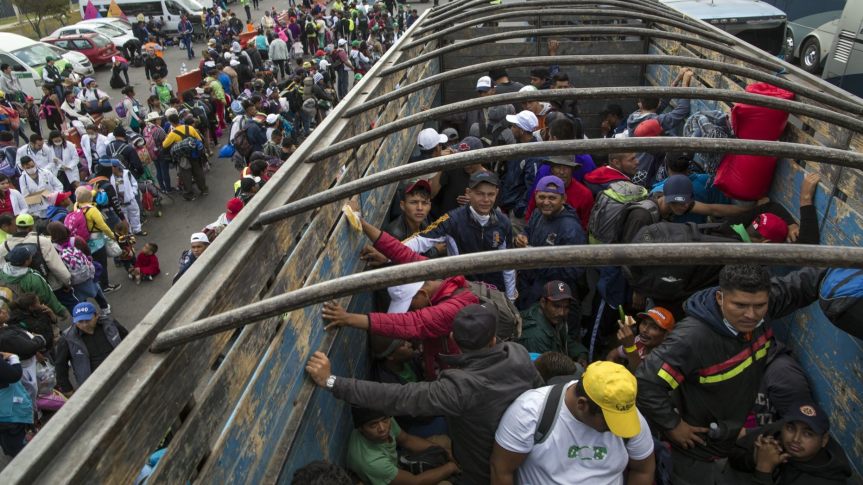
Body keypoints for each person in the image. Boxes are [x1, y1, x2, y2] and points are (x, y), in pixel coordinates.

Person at [307, 304, 543, 485]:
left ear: (453, 339)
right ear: (493, 338)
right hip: (531, 460)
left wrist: (331, 381)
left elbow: (397, 397)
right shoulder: (519, 354)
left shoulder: (458, 388)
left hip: (481, 474)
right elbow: (539, 397)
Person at [636, 264, 823, 485]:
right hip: (695, 454)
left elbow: (806, 282)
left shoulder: (764, 309)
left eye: (759, 306)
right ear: (720, 297)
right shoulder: (692, 339)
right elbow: (646, 383)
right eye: (740, 305)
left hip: (731, 438)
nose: (751, 315)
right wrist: (673, 425)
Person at [491, 361, 655, 484]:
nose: (618, 428)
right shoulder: (530, 412)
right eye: (610, 422)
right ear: (582, 405)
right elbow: (501, 470)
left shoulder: (627, 416)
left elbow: (643, 470)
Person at [404, 171, 517, 300]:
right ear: (469, 193)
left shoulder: (504, 223)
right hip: (463, 292)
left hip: (495, 292)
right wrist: (388, 253)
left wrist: (510, 299)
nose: (486, 200)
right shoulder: (453, 220)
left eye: (490, 194)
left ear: (496, 193)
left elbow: (508, 265)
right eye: (480, 194)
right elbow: (421, 240)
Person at [727, 401, 852, 485]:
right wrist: (756, 456)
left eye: (808, 434)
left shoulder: (824, 481)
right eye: (791, 428)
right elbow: (735, 453)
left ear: (824, 440)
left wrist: (763, 469)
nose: (796, 439)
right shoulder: (778, 434)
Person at [515, 176, 586, 306]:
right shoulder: (538, 213)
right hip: (528, 286)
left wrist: (539, 262)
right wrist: (521, 238)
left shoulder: (571, 229)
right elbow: (527, 231)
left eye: (552, 198)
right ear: (535, 196)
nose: (546, 202)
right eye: (542, 197)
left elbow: (575, 270)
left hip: (553, 296)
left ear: (563, 199)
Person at [345, 407, 459, 485]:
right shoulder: (372, 461)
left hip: (397, 463)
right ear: (360, 429)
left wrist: (444, 451)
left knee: (444, 442)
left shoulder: (384, 418)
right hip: (396, 479)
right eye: (373, 425)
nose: (382, 428)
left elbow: (406, 440)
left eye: (384, 420)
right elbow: (415, 482)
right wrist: (450, 467)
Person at [54, 302, 128, 395]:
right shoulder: (67, 339)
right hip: (94, 386)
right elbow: (60, 365)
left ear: (96, 316)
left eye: (87, 320)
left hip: (122, 372)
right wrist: (67, 389)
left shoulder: (111, 325)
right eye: (80, 322)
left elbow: (129, 340)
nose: (84, 325)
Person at [519, 281, 588, 365]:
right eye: (556, 306)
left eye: (566, 307)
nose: (562, 312)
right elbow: (544, 372)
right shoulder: (535, 336)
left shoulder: (551, 316)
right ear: (543, 302)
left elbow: (566, 340)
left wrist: (580, 354)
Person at [524, 155, 594, 231]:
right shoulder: (542, 188)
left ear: (572, 170)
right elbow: (530, 214)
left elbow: (586, 225)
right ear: (551, 169)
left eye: (566, 168)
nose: (561, 172)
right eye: (558, 167)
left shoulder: (584, 194)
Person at [73, 186, 120, 293]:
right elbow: (103, 226)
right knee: (102, 263)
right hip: (97, 240)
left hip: (84, 240)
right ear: (89, 197)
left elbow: (87, 195)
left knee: (93, 262)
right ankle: (105, 285)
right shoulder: (92, 210)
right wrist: (113, 236)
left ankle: (97, 282)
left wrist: (94, 191)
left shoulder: (77, 206)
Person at [0, 245, 67, 318]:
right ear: (26, 262)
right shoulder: (33, 279)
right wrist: (61, 311)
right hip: (35, 316)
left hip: (11, 315)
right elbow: (46, 297)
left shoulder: (2, 273)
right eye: (30, 255)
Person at [607, 306, 676, 373]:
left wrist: (630, 347)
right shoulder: (638, 341)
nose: (645, 329)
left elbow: (640, 376)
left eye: (654, 327)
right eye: (644, 323)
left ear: (666, 335)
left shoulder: (664, 359)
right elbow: (612, 354)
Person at [162, 113, 208, 201]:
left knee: (186, 175)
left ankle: (190, 194)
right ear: (179, 120)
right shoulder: (190, 128)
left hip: (183, 157)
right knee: (198, 172)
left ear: (172, 123)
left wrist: (168, 137)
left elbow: (164, 145)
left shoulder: (173, 134)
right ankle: (204, 189)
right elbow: (199, 139)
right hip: (195, 154)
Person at [0, 349, 32, 457]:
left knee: (8, 443)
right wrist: (13, 357)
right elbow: (14, 375)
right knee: (18, 449)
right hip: (7, 413)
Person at [109, 159, 145, 236]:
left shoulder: (127, 173)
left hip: (130, 200)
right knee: (124, 219)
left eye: (111, 167)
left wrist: (133, 193)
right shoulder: (110, 177)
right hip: (120, 203)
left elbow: (134, 183)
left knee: (135, 215)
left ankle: (137, 230)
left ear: (115, 167)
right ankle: (129, 233)